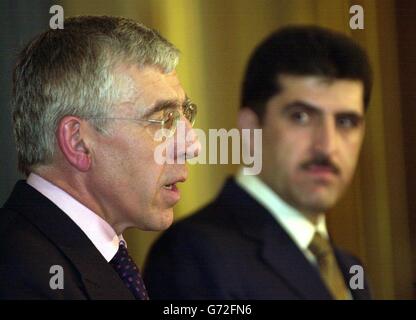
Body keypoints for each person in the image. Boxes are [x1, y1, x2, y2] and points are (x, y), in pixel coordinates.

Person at [143, 25, 373, 300]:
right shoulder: (193, 255)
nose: (327, 145)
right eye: (300, 117)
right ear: (251, 128)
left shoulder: (350, 268)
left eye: (346, 122)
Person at [0, 16, 200, 299]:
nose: (191, 147)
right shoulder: (24, 278)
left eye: (186, 114)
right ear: (78, 142)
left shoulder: (89, 258)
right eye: (164, 120)